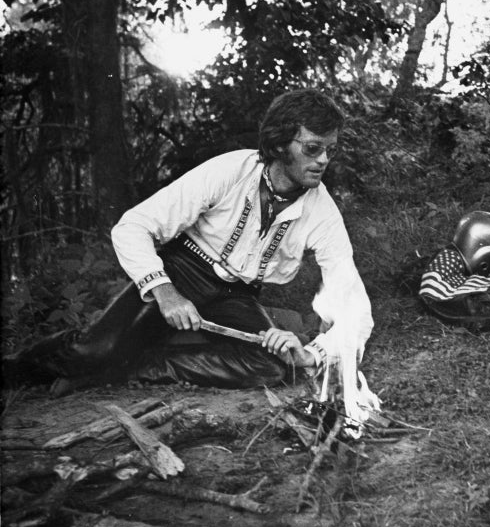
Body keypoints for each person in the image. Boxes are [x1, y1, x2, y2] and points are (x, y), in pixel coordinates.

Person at [7, 89, 375, 393]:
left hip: (237, 294)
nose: (324, 160)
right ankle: (17, 370)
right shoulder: (231, 171)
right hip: (182, 269)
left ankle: (133, 367)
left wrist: (312, 354)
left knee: (269, 366)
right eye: (313, 148)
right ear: (280, 144)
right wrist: (165, 292)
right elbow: (132, 226)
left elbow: (355, 306)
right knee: (96, 348)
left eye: (331, 149)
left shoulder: (322, 212)